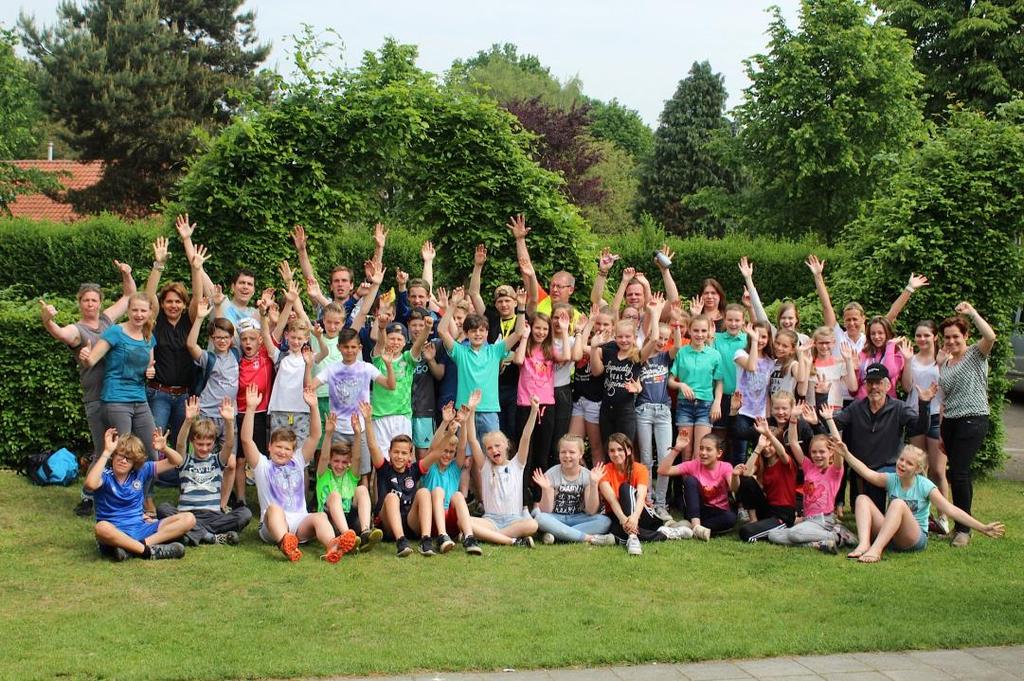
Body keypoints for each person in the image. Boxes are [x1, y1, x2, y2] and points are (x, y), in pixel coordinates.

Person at [39, 260, 135, 516]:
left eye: (94, 300)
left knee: (121, 445)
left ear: (100, 302)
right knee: (102, 448)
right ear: (79, 302)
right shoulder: (78, 330)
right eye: (86, 300)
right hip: (96, 398)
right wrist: (47, 320)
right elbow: (60, 333)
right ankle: (87, 496)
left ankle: (116, 493)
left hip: (118, 395)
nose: (90, 304)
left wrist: (126, 274)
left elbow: (129, 297)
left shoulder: (106, 321)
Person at [240, 384, 353, 563]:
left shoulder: (298, 461)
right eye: (278, 447)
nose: (282, 452)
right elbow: (246, 440)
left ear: (293, 451)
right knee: (274, 509)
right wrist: (251, 408)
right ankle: (285, 542)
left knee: (321, 516)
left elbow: (315, 436)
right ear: (269, 447)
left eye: (287, 449)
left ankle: (332, 545)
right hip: (273, 526)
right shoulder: (262, 465)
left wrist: (314, 407)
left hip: (300, 523)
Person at [838, 443, 1005, 562]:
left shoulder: (925, 486)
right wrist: (846, 454)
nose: (902, 464)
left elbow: (951, 510)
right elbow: (867, 473)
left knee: (897, 504)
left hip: (914, 539)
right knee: (862, 499)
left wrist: (982, 527)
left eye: (909, 463)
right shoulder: (892, 479)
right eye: (901, 460)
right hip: (891, 535)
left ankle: (876, 549)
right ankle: (864, 544)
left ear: (918, 469)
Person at [79, 292, 159, 514]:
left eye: (143, 310)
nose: (139, 314)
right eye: (135, 310)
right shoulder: (115, 332)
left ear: (149, 312)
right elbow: (92, 359)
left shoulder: (148, 336)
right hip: (115, 399)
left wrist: (149, 371)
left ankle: (145, 496)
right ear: (128, 311)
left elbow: (148, 366)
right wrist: (86, 355)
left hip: (139, 399)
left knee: (152, 451)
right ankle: (119, 500)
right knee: (123, 453)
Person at [831, 363, 934, 513]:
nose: (874, 387)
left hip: (890, 466)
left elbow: (920, 428)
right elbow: (835, 423)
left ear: (887, 385)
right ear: (865, 385)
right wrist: (818, 416)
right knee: (873, 510)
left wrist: (924, 404)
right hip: (862, 466)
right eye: (870, 383)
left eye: (878, 383)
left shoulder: (899, 408)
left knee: (877, 483)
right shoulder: (856, 408)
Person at [86, 427, 194, 561]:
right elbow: (90, 484)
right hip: (116, 531)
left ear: (135, 462)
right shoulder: (104, 475)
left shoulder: (141, 471)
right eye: (120, 455)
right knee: (101, 527)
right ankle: (148, 551)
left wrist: (164, 448)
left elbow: (177, 461)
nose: (123, 461)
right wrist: (106, 452)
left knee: (189, 519)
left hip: (141, 528)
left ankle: (135, 548)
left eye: (129, 459)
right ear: (114, 456)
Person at [938, 302, 996, 548]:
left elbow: (990, 336)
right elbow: (944, 399)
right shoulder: (945, 363)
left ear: (965, 336)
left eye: (956, 336)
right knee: (957, 473)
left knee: (960, 472)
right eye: (947, 337)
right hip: (950, 422)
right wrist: (941, 431)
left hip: (973, 419)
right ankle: (958, 525)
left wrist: (972, 312)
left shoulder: (976, 353)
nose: (952, 341)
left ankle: (964, 530)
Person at [158, 396, 252, 546]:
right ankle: (211, 537)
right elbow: (180, 444)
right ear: (192, 442)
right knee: (163, 509)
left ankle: (191, 533)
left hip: (213, 516)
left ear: (214, 443)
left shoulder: (217, 460)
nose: (204, 448)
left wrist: (228, 422)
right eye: (200, 444)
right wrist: (188, 420)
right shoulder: (184, 460)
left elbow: (228, 445)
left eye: (208, 444)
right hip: (187, 515)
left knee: (245, 513)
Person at [461, 394, 539, 547]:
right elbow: (472, 440)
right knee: (463, 520)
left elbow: (525, 437)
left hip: (513, 520)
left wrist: (534, 411)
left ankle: (486, 537)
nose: (493, 450)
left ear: (506, 445)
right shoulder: (485, 466)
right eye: (489, 448)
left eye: (497, 446)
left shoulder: (517, 464)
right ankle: (512, 541)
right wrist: (471, 411)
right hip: (490, 520)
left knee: (533, 525)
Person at [600, 433, 691, 555]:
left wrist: (635, 517)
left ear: (628, 450)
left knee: (624, 489)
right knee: (615, 530)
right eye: (612, 451)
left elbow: (641, 496)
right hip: (618, 515)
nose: (616, 454)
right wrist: (623, 520)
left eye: (620, 449)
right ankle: (666, 533)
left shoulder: (640, 468)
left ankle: (632, 537)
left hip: (642, 514)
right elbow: (611, 500)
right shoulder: (604, 470)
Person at [768, 416, 845, 553]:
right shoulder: (809, 467)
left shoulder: (834, 471)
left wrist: (829, 420)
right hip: (807, 520)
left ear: (831, 452)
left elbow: (838, 444)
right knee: (773, 535)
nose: (817, 455)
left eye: (822, 452)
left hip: (824, 521)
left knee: (794, 534)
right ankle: (818, 544)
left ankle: (838, 535)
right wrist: (792, 420)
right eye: (814, 452)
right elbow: (793, 442)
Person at [899, 321, 949, 533]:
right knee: (918, 469)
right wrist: (908, 361)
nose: (922, 339)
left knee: (938, 471)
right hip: (915, 416)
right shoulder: (912, 359)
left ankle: (944, 516)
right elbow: (907, 387)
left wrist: (941, 365)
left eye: (926, 335)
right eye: (918, 335)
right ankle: (922, 515)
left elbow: (947, 389)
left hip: (937, 416)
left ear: (935, 337)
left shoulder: (943, 359)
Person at [418, 398, 483, 555]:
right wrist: (445, 423)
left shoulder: (455, 468)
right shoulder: (431, 465)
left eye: (450, 452)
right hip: (429, 517)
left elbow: (462, 446)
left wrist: (465, 423)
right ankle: (442, 536)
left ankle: (469, 537)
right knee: (438, 491)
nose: (447, 455)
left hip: (450, 519)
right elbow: (434, 447)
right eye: (444, 451)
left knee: (459, 495)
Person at [316, 408, 382, 552]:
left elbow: (357, 457)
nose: (340, 466)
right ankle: (347, 537)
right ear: (330, 462)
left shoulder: (350, 476)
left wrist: (358, 434)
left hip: (351, 520)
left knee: (362, 489)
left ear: (349, 463)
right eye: (336, 461)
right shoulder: (323, 475)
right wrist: (328, 434)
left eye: (344, 462)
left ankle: (365, 532)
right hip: (330, 521)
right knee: (334, 496)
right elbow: (324, 457)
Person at [531, 434, 616, 545]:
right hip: (556, 518)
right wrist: (546, 489)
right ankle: (590, 538)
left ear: (581, 454)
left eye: (572, 452)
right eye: (563, 452)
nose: (567, 456)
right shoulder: (551, 474)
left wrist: (594, 484)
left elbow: (591, 511)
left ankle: (558, 535)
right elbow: (547, 511)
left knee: (604, 521)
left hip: (579, 518)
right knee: (540, 518)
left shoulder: (587, 475)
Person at [367, 425, 434, 558]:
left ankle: (426, 540)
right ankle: (401, 542)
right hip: (388, 526)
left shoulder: (414, 470)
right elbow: (373, 446)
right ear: (389, 453)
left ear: (410, 456)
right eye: (396, 452)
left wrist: (449, 432)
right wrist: (368, 420)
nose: (399, 456)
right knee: (392, 497)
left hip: (410, 524)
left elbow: (435, 453)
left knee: (424, 492)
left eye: (404, 453)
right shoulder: (384, 469)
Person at [658, 434, 741, 540]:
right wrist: (677, 448)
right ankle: (696, 526)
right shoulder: (694, 465)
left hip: (718, 512)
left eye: (708, 449)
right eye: (701, 448)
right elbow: (662, 470)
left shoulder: (725, 467)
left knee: (730, 519)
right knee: (690, 481)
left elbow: (734, 488)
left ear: (719, 453)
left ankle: (688, 527)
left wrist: (735, 475)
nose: (703, 453)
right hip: (696, 511)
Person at [668, 314, 723, 462]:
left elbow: (719, 382)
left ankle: (699, 485)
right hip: (684, 405)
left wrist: (717, 402)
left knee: (700, 453)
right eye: (696, 330)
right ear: (690, 331)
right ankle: (688, 485)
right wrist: (681, 384)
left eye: (703, 331)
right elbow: (670, 380)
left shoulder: (714, 355)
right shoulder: (682, 352)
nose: (700, 335)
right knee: (686, 453)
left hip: (705, 406)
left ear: (708, 332)